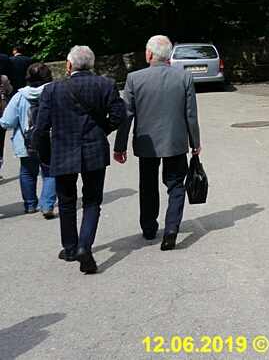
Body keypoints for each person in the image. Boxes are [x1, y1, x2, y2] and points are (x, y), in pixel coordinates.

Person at [34, 45, 126, 274]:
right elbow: (119, 115)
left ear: (68, 66)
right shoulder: (106, 85)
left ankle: (70, 248)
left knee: (66, 202)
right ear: (92, 64)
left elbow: (40, 129)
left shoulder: (52, 90)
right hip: (95, 149)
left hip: (62, 151)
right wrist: (101, 131)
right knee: (92, 201)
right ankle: (85, 245)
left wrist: (45, 156)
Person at [114, 35, 201, 252]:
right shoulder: (184, 78)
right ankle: (171, 228)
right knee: (176, 184)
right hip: (175, 140)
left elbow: (126, 115)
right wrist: (195, 142)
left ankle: (149, 228)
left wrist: (119, 146)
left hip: (147, 143)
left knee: (148, 185)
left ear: (150, 54)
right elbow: (190, 114)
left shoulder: (134, 78)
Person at [1, 63, 57, 217]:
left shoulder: (19, 96)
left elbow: (6, 122)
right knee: (50, 173)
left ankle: (30, 204)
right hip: (51, 140)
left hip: (26, 142)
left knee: (27, 172)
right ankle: (47, 205)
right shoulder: (55, 93)